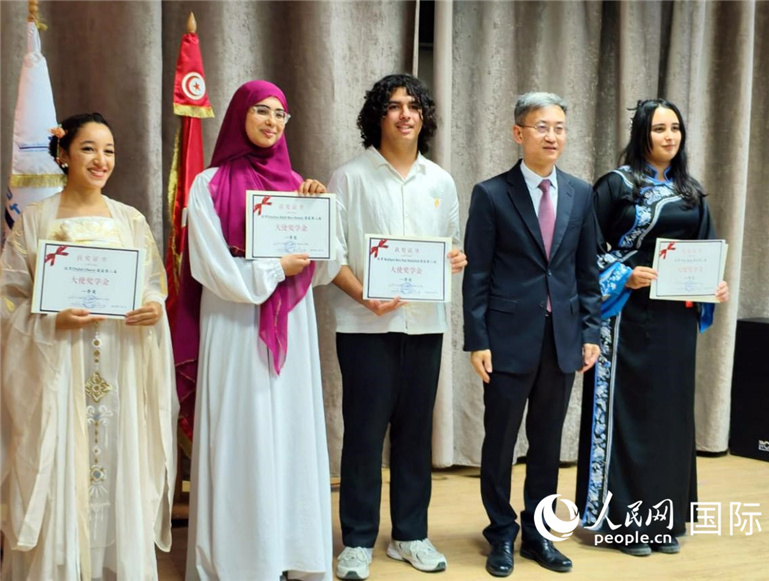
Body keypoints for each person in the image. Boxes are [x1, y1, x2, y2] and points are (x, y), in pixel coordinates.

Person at [0, 112, 178, 579]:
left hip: (120, 364)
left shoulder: (129, 220)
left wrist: (153, 308)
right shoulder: (35, 220)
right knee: (63, 465)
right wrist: (49, 319)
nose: (101, 160)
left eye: (109, 151)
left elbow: (152, 284)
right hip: (60, 366)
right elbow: (8, 301)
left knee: (117, 463)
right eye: (88, 149)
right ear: (63, 154)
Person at [175, 80, 339, 581]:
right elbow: (209, 266)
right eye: (261, 111)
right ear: (239, 115)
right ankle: (239, 559)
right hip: (232, 323)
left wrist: (321, 210)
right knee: (239, 430)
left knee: (289, 429)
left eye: (280, 113)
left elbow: (325, 268)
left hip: (290, 327)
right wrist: (272, 269)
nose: (271, 121)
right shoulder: (208, 185)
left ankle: (291, 553)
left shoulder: (299, 186)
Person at [575, 98, 730, 556]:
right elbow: (584, 250)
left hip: (674, 320)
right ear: (642, 133)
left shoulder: (691, 192)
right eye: (659, 128)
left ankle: (662, 522)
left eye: (675, 128)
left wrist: (713, 285)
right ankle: (622, 524)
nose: (669, 136)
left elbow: (704, 249)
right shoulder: (616, 185)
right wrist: (624, 274)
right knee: (628, 417)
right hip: (624, 318)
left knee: (668, 417)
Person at [328, 73, 466, 580]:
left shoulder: (441, 181)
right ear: (378, 115)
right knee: (364, 436)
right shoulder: (349, 177)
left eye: (414, 106)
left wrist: (454, 259)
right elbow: (332, 256)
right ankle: (357, 540)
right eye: (394, 106)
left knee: (414, 434)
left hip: (425, 325)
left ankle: (410, 534)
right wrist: (365, 295)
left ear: (424, 116)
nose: (405, 114)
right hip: (365, 327)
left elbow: (450, 244)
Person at [462, 92, 601, 577]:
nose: (552, 136)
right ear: (518, 133)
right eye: (542, 127)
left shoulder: (581, 193)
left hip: (562, 338)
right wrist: (477, 339)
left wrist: (590, 330)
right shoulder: (491, 194)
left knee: (546, 443)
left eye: (559, 127)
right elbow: (477, 274)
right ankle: (501, 532)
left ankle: (538, 534)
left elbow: (587, 271)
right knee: (500, 441)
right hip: (505, 339)